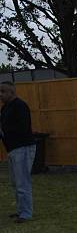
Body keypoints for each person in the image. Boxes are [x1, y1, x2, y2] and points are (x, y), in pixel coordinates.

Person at [0, 81, 36, 223]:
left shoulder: (20, 106)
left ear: (12, 92)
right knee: (15, 182)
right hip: (12, 149)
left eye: (3, 92)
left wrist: (4, 132)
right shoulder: (4, 109)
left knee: (22, 182)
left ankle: (26, 213)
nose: (0, 95)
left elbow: (23, 127)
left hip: (23, 148)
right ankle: (21, 210)